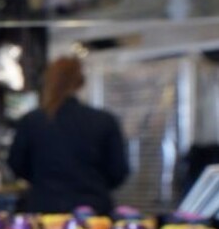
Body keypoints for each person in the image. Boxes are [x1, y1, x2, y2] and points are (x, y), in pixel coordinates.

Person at [8, 56, 130, 214]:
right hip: (94, 211)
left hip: (44, 209)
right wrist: (93, 184)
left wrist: (43, 181)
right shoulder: (105, 120)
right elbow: (119, 171)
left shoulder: (31, 121)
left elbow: (16, 165)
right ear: (80, 83)